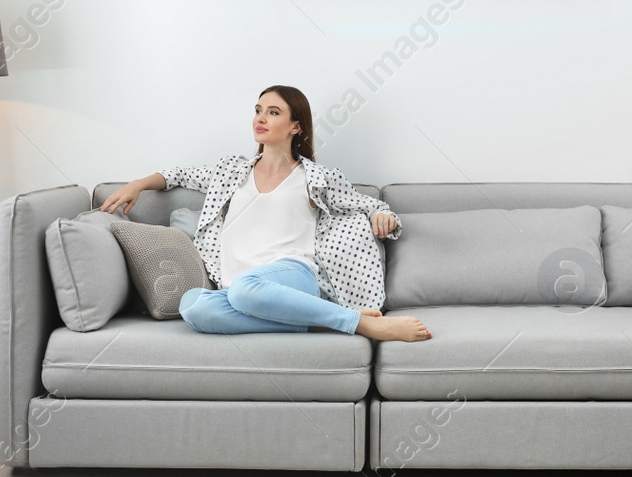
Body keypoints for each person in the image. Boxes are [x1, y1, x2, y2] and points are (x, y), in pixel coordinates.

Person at [100, 85, 431, 342]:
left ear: (295, 126)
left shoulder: (315, 177)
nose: (260, 118)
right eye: (258, 110)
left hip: (293, 275)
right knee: (193, 306)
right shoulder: (231, 171)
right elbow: (180, 175)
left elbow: (369, 203)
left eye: (273, 112)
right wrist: (139, 184)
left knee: (246, 288)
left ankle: (360, 325)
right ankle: (320, 321)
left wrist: (381, 217)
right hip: (234, 288)